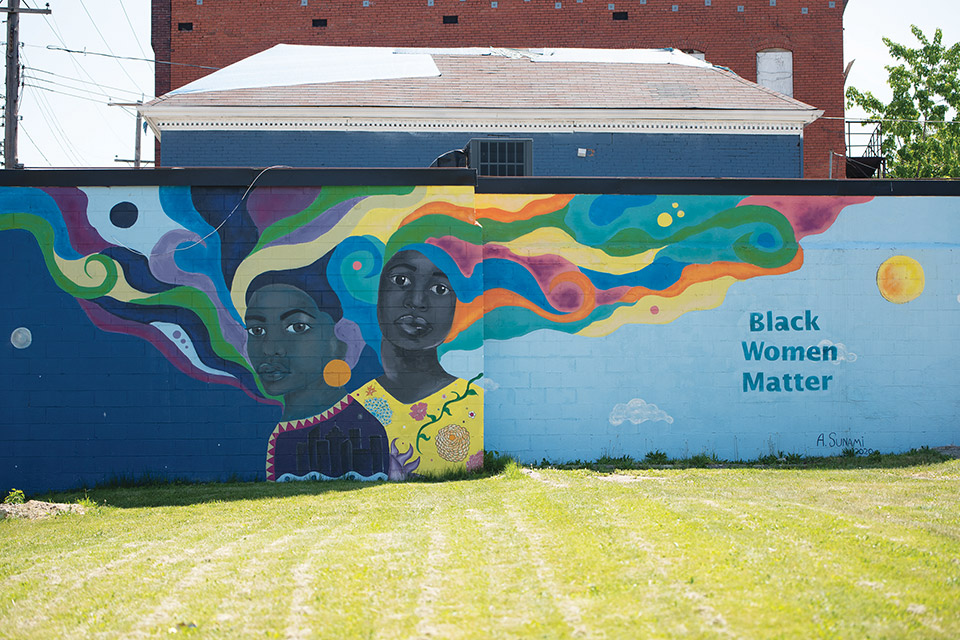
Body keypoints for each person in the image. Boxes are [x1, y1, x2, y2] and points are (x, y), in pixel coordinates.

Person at [245, 265, 388, 482]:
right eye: (257, 331)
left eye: (297, 327)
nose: (269, 348)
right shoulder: (292, 424)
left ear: (339, 342)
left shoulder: (357, 431)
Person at [351, 249, 483, 479]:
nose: (416, 301)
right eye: (401, 280)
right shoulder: (350, 407)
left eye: (439, 289)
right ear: (378, 292)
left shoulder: (472, 402)